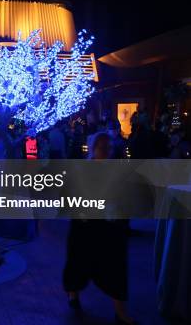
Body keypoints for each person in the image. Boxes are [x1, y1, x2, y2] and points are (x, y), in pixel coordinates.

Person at [63, 132, 134, 324]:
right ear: (93, 148)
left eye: (108, 146)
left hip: (109, 226)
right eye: (102, 146)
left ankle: (120, 311)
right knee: (77, 263)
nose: (106, 150)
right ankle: (73, 294)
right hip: (85, 226)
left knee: (116, 267)